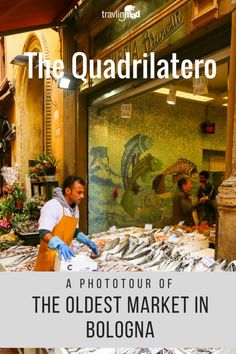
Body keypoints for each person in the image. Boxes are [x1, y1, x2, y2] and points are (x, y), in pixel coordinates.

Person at [35, 175, 99, 271]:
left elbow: (75, 229)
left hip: (63, 258)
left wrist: (86, 241)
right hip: (48, 259)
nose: (82, 196)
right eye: (79, 192)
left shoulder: (74, 207)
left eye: (83, 192)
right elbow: (43, 232)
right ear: (68, 191)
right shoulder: (52, 206)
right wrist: (60, 245)